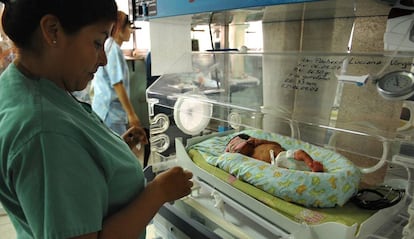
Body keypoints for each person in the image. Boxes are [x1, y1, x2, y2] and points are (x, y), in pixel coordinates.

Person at [0, 1, 193, 239]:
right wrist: (158, 193)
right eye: (98, 42)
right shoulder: (45, 132)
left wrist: (111, 150)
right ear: (52, 30)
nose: (103, 59)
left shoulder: (27, 87)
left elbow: (71, 166)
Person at [92, 10, 140, 136]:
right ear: (119, 29)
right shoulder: (113, 49)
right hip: (110, 113)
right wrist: (131, 114)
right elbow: (117, 84)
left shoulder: (108, 46)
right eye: (129, 26)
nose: (131, 30)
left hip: (105, 110)